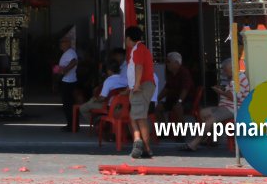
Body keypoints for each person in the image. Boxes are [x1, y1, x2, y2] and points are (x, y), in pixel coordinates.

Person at [183, 58, 250, 152]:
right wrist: (222, 90)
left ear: (232, 68)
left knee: (209, 121)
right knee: (202, 113)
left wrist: (220, 92)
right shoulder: (234, 78)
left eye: (226, 70)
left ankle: (194, 143)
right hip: (225, 106)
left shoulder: (240, 78)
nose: (225, 73)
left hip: (232, 108)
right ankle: (211, 138)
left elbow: (234, 97)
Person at [124, 26, 156, 159]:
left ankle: (146, 149)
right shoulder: (139, 49)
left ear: (128, 38)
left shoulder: (138, 49)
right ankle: (138, 140)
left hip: (141, 86)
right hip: (139, 86)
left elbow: (139, 67)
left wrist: (136, 85)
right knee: (134, 115)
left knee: (140, 117)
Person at [77, 61, 128, 126]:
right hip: (122, 106)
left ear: (109, 71)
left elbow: (102, 98)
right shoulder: (125, 79)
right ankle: (101, 122)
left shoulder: (109, 81)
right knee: (91, 101)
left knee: (83, 108)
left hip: (108, 106)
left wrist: (96, 100)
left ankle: (97, 125)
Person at [157, 52, 195, 122]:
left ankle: (181, 130)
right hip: (173, 100)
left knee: (178, 107)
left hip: (186, 101)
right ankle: (165, 129)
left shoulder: (184, 73)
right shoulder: (171, 74)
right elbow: (167, 88)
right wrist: (157, 99)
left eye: (169, 62)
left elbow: (185, 89)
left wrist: (179, 102)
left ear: (177, 63)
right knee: (158, 107)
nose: (167, 64)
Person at [54, 27, 79, 132]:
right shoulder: (66, 53)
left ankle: (71, 125)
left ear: (68, 43)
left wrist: (65, 69)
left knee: (68, 105)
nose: (61, 44)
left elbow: (74, 62)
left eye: (63, 42)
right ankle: (72, 124)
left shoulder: (70, 52)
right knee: (68, 104)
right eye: (61, 42)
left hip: (69, 82)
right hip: (67, 80)